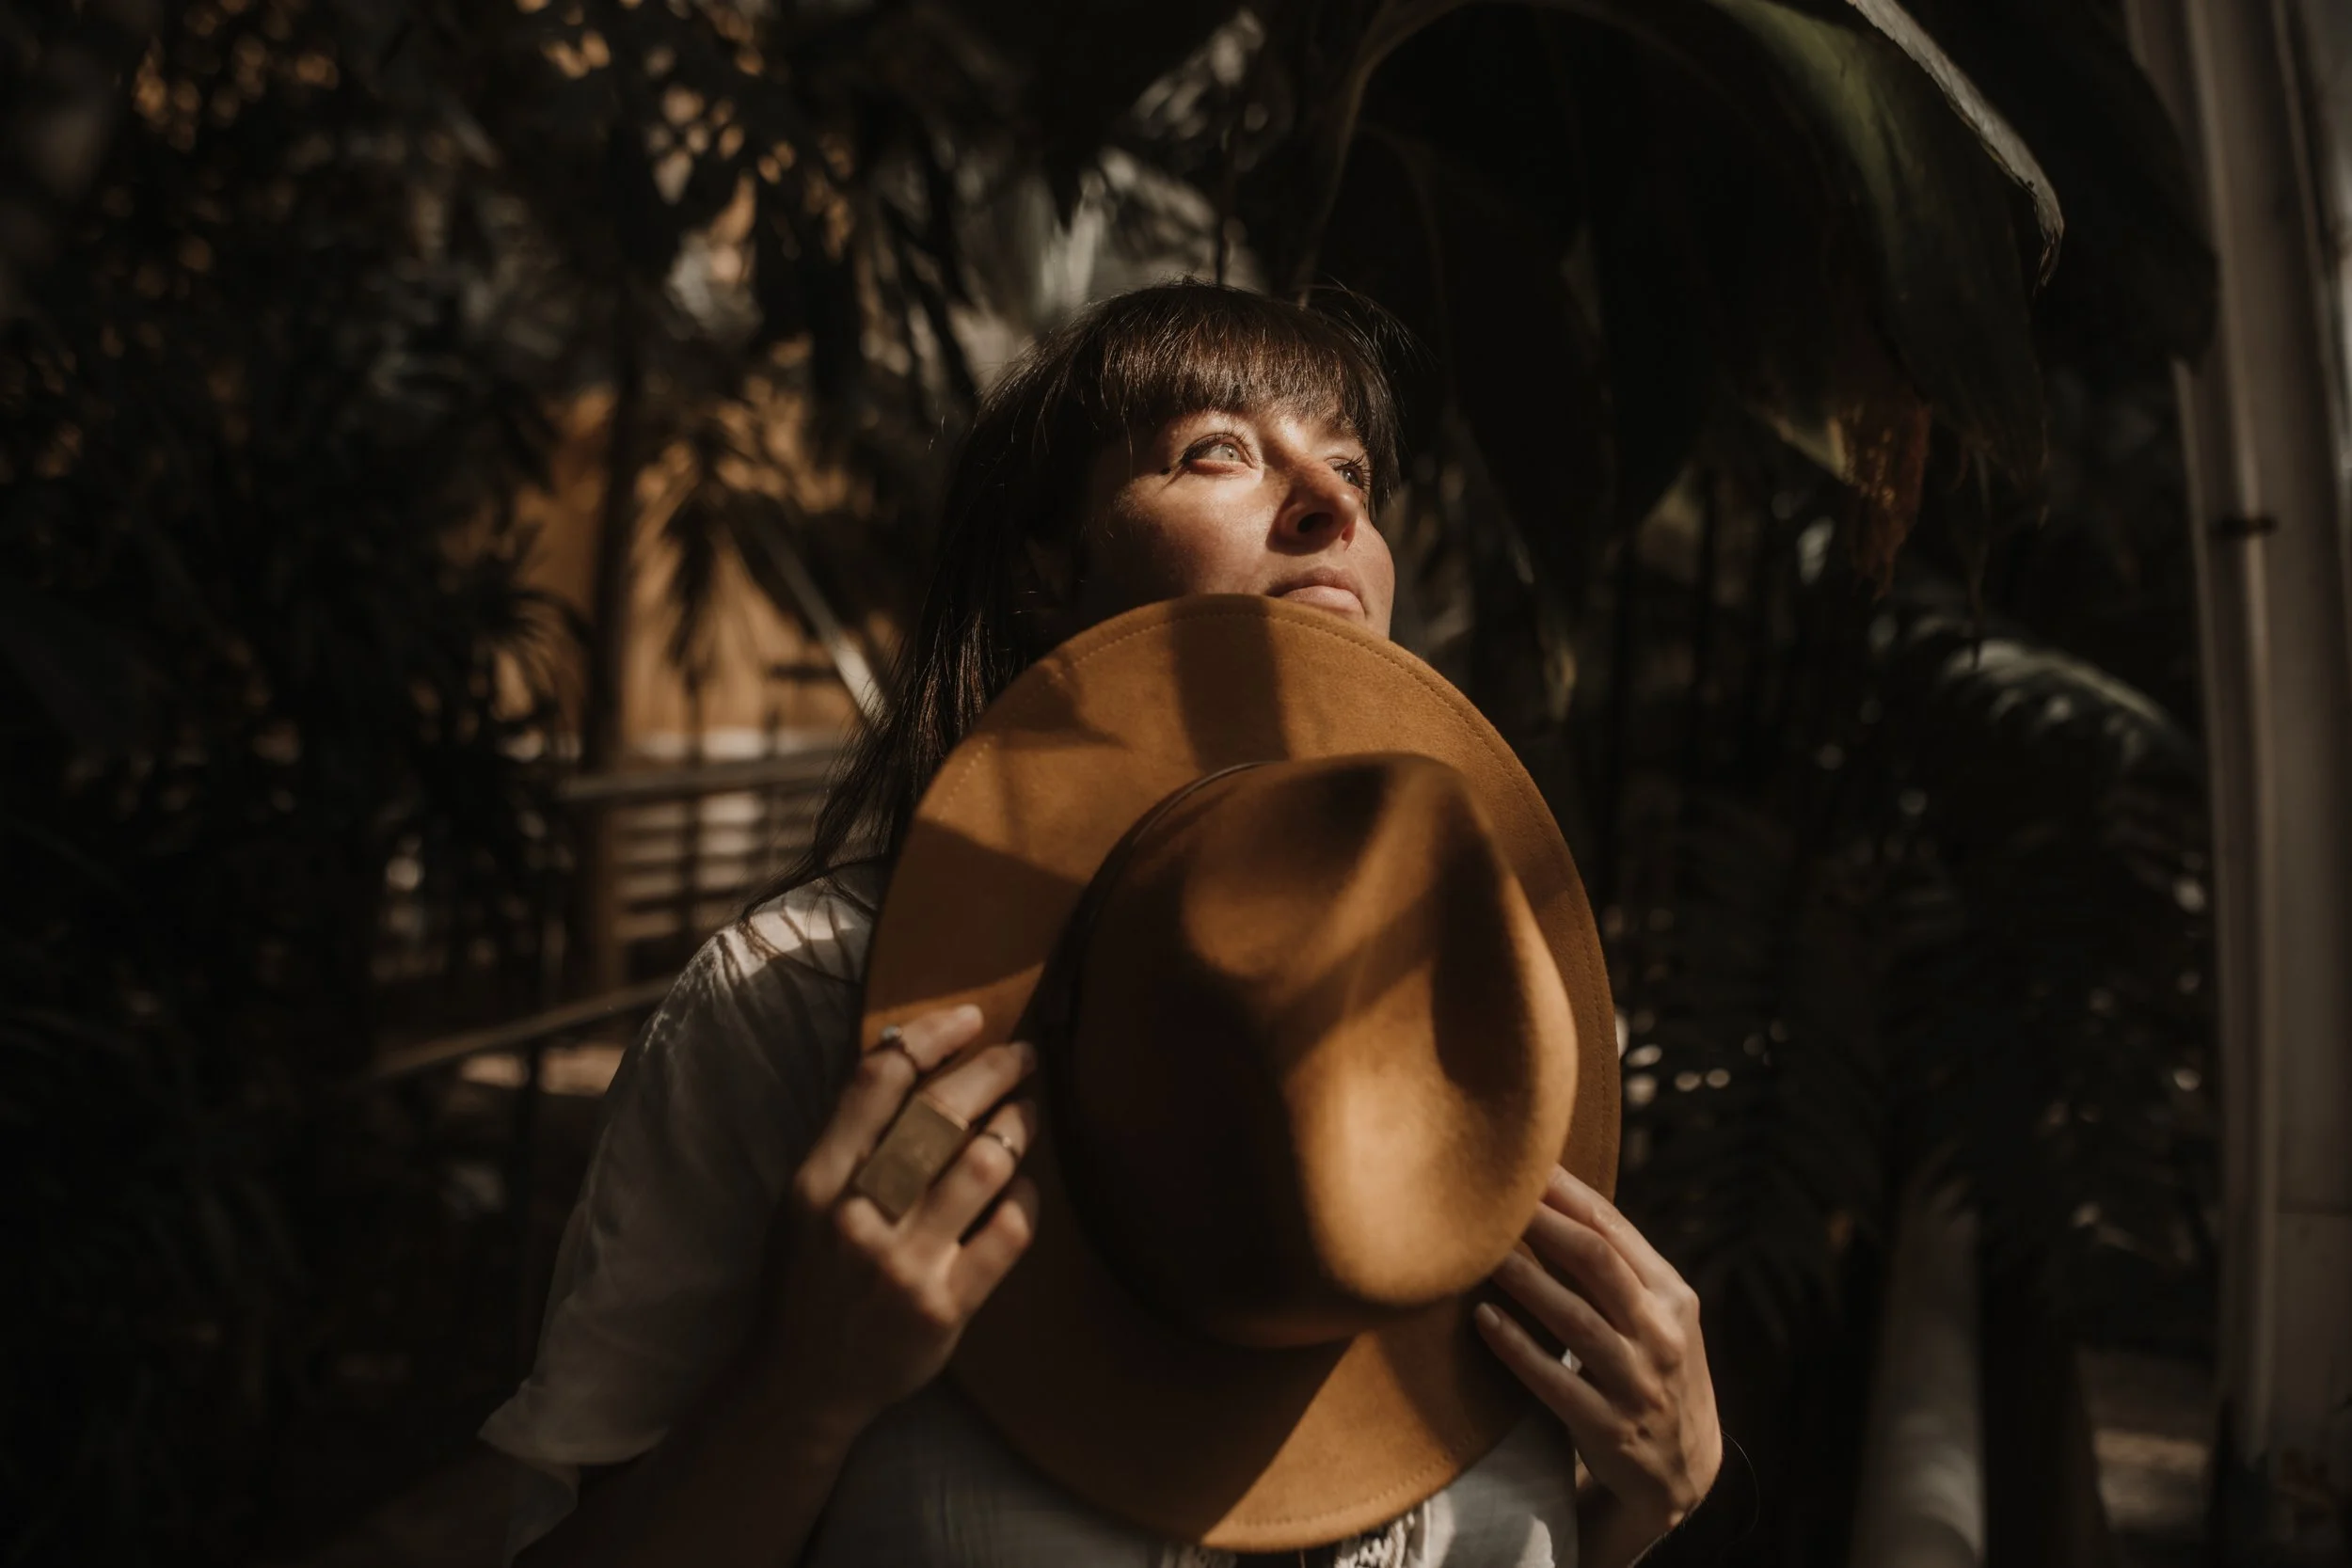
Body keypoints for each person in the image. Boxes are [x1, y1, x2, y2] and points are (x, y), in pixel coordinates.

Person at [485, 282, 1724, 1568]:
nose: (1333, 503)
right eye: (1220, 452)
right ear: (1042, 566)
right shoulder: (801, 1003)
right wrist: (801, 1392)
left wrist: (1634, 1508)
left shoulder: (1501, 1026)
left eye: (1353, 467)